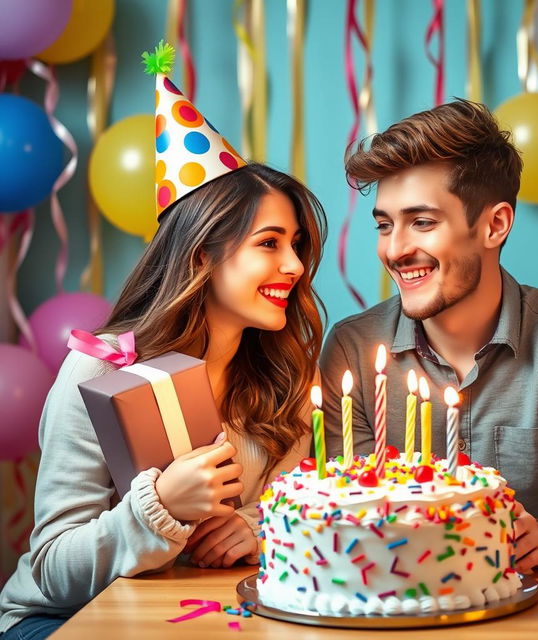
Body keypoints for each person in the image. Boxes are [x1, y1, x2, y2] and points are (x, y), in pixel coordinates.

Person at [0, 43, 326, 640]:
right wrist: (161, 508)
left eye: (298, 245)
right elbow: (52, 570)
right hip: (59, 622)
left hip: (195, 621)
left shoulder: (281, 381)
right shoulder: (99, 370)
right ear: (203, 253)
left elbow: (293, 512)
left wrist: (260, 528)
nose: (296, 266)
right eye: (271, 243)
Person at [320, 98, 538, 572]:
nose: (395, 249)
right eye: (385, 225)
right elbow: (351, 514)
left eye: (422, 222)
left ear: (495, 225)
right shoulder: (354, 350)